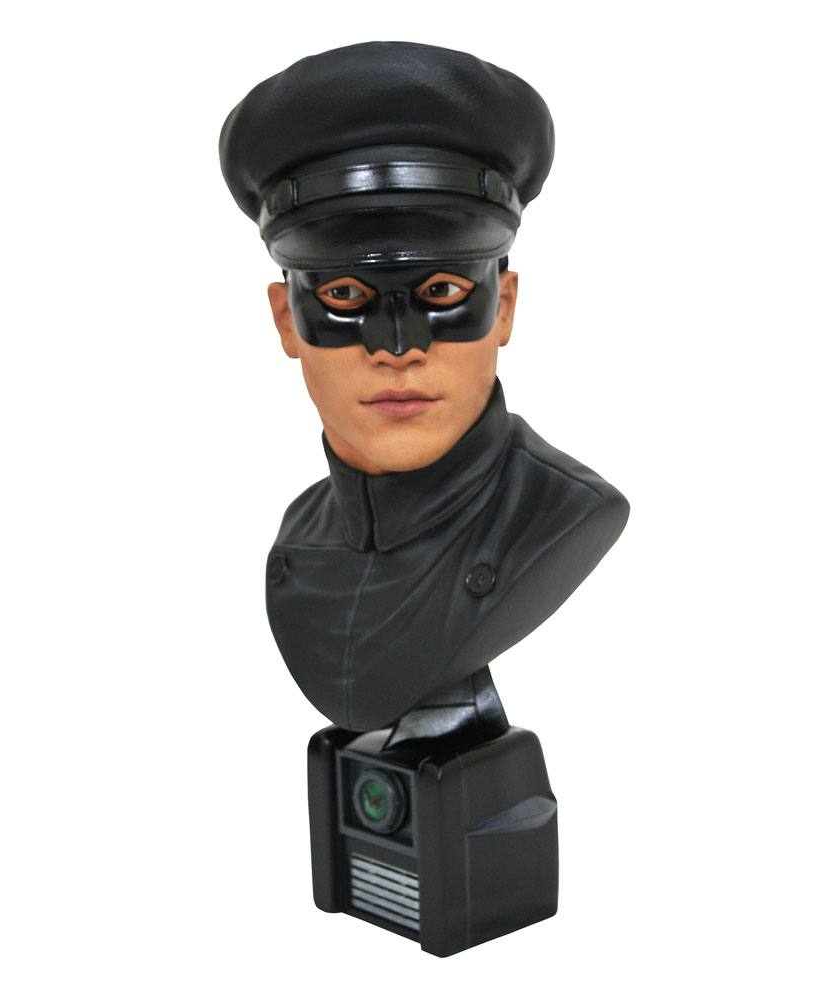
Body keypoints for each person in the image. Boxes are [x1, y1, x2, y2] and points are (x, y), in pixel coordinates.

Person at [219, 40, 630, 739]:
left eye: (441, 292)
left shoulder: (565, 515)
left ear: (504, 308)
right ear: (287, 321)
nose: (397, 347)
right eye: (344, 296)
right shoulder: (300, 536)